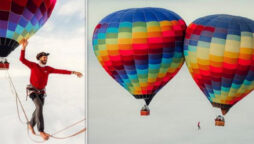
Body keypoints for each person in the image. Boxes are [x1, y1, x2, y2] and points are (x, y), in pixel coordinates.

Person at [19, 39, 83, 140]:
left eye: (46, 58)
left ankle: (31, 124)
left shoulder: (48, 69)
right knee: (39, 106)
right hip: (33, 90)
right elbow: (22, 60)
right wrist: (23, 48)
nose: (46, 59)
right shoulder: (34, 66)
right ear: (39, 58)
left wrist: (74, 72)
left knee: (38, 109)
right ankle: (41, 131)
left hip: (42, 92)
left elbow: (61, 71)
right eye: (44, 57)